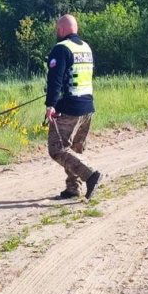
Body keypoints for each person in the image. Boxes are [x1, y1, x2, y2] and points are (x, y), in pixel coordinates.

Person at [45, 14, 103, 200]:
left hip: (69, 107)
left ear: (62, 29)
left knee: (57, 148)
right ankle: (73, 188)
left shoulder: (61, 48)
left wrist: (51, 105)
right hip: (87, 106)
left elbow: (55, 79)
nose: (56, 32)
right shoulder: (85, 47)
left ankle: (90, 175)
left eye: (57, 29)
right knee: (76, 150)